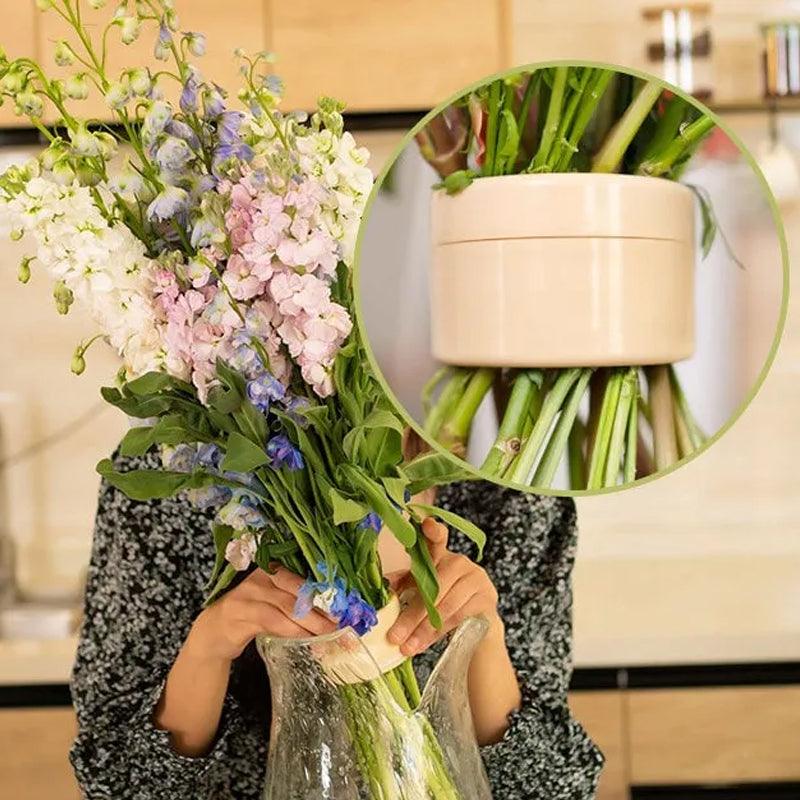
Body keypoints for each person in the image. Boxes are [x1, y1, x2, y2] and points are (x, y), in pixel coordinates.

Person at [70, 450, 603, 798]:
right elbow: (119, 781)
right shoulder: (180, 468)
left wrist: (479, 632)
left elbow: (550, 787)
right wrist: (209, 648)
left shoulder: (512, 482)